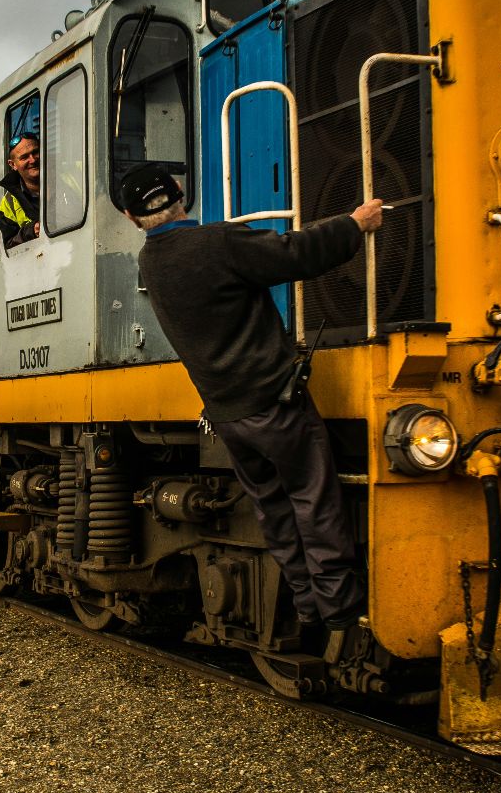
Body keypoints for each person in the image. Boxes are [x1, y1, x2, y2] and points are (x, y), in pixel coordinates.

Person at [120, 162, 385, 658]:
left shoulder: (150, 263)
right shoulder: (218, 244)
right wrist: (355, 223)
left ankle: (306, 605)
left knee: (275, 509)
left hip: (228, 415)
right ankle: (340, 614)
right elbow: (296, 254)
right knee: (314, 498)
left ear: (135, 220)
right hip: (273, 403)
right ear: (181, 192)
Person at [0, 132, 41, 249]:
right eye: (24, 157)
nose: (32, 160)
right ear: (13, 165)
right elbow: (9, 245)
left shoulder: (74, 174)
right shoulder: (7, 204)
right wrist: (32, 230)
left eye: (35, 152)